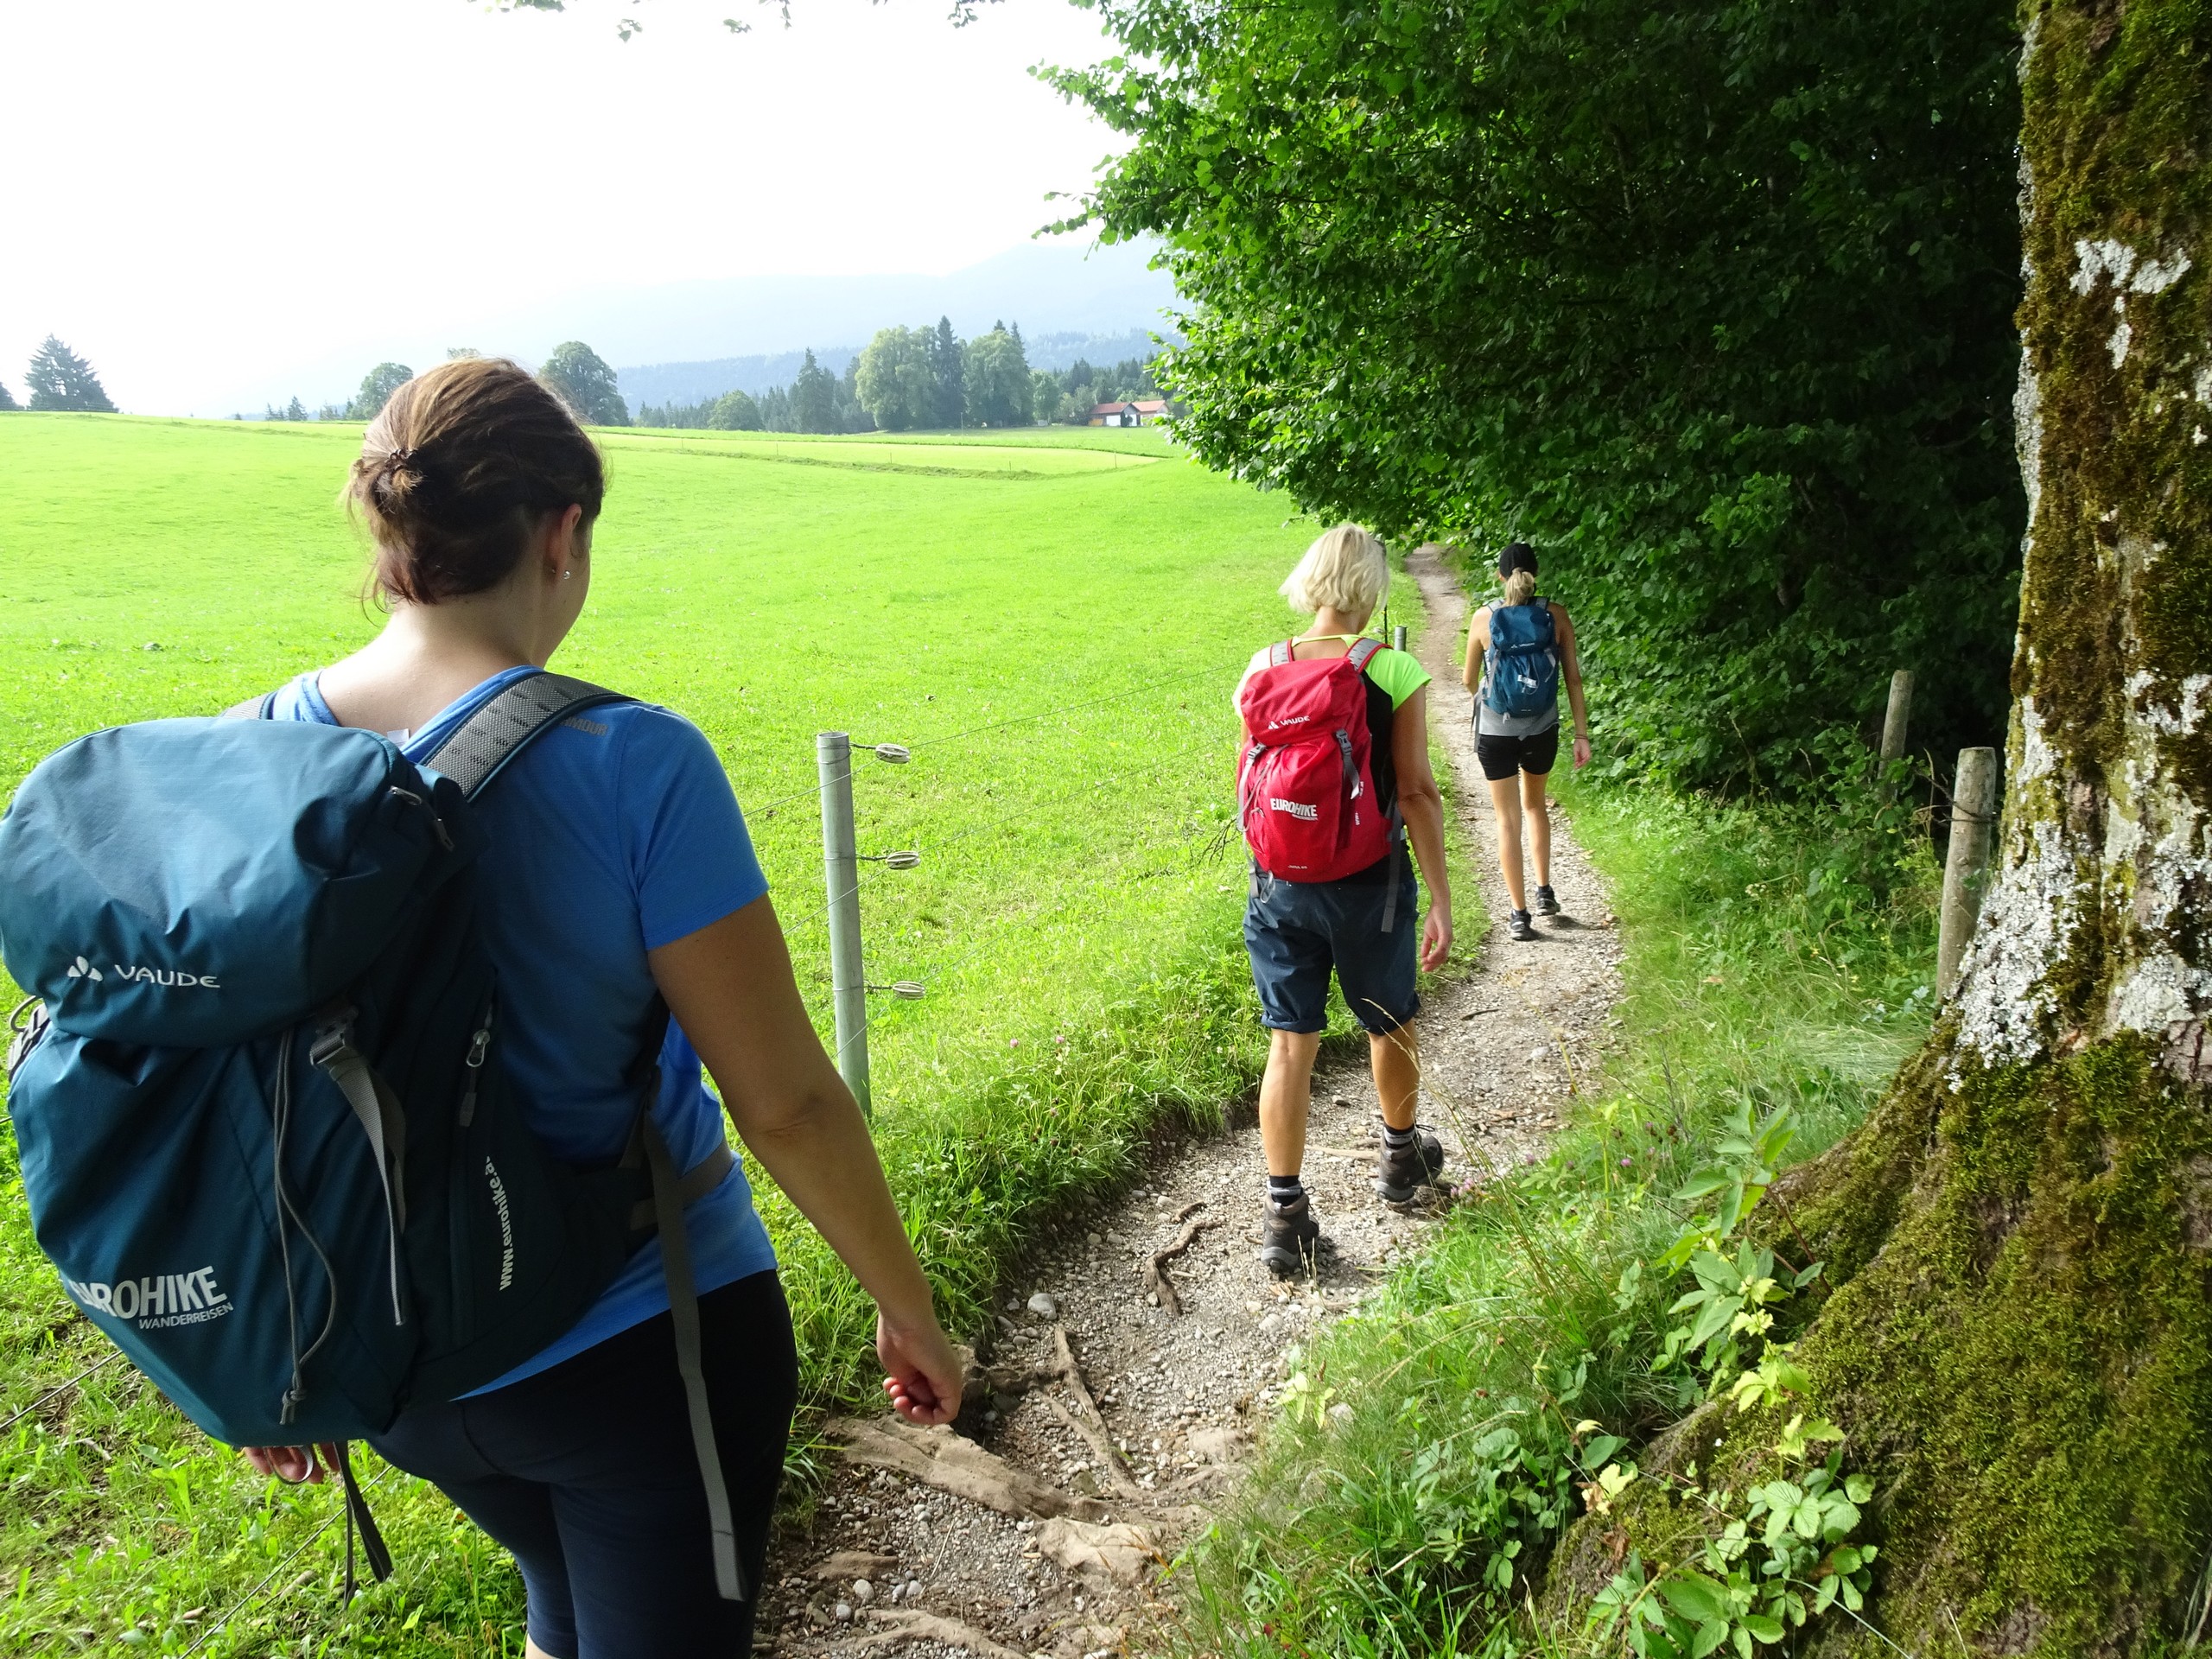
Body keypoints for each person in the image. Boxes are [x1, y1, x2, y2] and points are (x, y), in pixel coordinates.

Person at [236, 358, 963, 1659]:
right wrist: (907, 1304)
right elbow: (783, 1100)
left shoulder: (254, 749)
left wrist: (257, 1346)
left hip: (397, 1365)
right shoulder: (634, 760)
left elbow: (224, 1074)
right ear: (562, 533)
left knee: (565, 1603)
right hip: (638, 1346)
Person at [1235, 524, 1454, 1274]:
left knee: (1289, 1043)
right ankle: (1400, 1165)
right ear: (1370, 587)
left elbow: (1248, 786)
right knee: (1388, 1022)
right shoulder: (1390, 669)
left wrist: (1276, 869)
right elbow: (1419, 792)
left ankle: (1284, 1216)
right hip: (1369, 884)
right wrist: (1441, 898)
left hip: (1280, 883)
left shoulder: (1261, 668)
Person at [1463, 540, 1591, 942]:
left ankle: (1519, 916)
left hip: (1495, 731)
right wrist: (1581, 734)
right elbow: (1572, 679)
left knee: (1506, 820)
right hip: (1543, 728)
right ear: (1536, 575)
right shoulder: (1556, 616)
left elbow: (1468, 681)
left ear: (1500, 575)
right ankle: (1544, 891)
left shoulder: (1483, 619)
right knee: (1535, 806)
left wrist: (1491, 692)